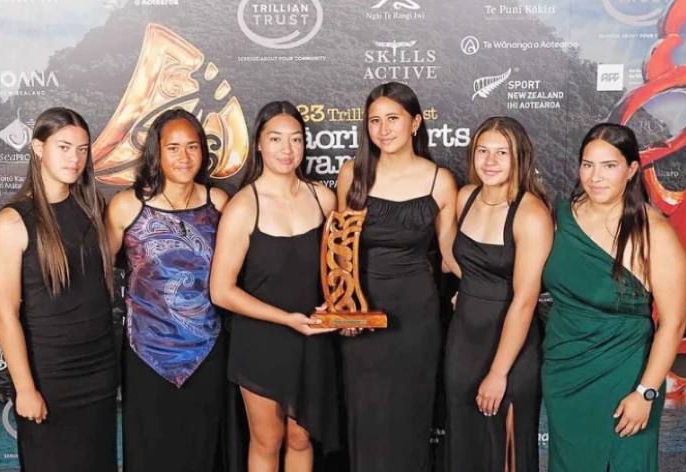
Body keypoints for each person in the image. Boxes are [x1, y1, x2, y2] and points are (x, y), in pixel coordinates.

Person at [542, 123, 686, 472]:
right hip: (563, 373)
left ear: (632, 170)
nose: (596, 176)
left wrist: (646, 393)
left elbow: (674, 323)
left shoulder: (655, 232)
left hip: (625, 377)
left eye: (609, 165)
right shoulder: (563, 216)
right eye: (588, 164)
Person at [336, 82, 459, 472]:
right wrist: (344, 310)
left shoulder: (440, 180)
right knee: (365, 418)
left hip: (416, 317)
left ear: (416, 123)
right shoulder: (351, 174)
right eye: (374, 120)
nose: (383, 129)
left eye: (393, 118)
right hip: (362, 314)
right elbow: (341, 255)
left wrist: (495, 279)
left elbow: (450, 255)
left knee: (409, 418)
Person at [210, 101, 339, 472]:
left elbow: (339, 274)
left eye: (296, 139)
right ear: (260, 145)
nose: (287, 149)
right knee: (268, 440)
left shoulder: (323, 198)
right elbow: (221, 290)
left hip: (313, 338)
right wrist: (286, 319)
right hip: (261, 341)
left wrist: (338, 312)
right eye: (276, 139)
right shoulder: (242, 207)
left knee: (301, 437)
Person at [0, 107, 118, 472]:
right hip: (50, 377)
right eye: (63, 147)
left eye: (82, 149)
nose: (74, 158)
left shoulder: (92, 207)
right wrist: (26, 390)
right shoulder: (13, 222)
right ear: (38, 148)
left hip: (100, 372)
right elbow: (4, 316)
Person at [104, 108, 229, 472]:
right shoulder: (127, 206)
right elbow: (93, 274)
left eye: (192, 146)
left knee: (204, 451)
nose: (184, 157)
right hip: (147, 354)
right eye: (173, 147)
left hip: (207, 350)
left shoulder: (219, 204)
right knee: (151, 454)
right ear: (155, 152)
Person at [444, 117, 552, 472]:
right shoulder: (465, 197)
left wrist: (498, 373)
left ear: (519, 157)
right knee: (466, 444)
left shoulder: (532, 214)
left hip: (511, 348)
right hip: (463, 341)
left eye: (501, 153)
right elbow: (462, 261)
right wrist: (470, 287)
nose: (490, 162)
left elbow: (524, 300)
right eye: (483, 151)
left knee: (506, 453)